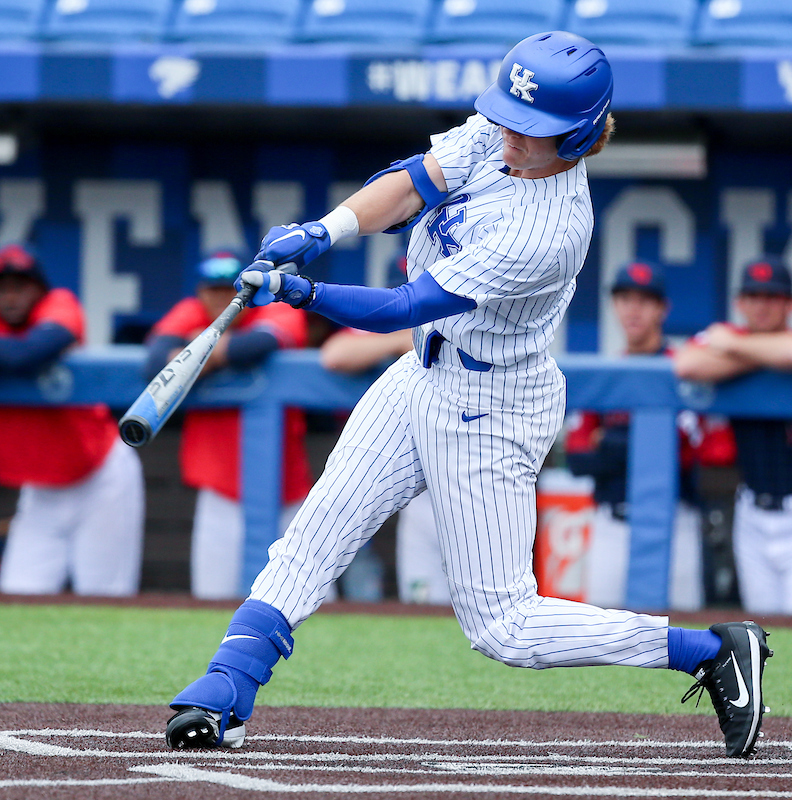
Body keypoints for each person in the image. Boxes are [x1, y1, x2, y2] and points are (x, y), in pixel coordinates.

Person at [163, 31, 771, 760]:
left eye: (532, 131)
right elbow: (413, 180)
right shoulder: (504, 126)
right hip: (422, 373)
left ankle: (709, 650)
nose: (510, 134)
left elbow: (402, 307)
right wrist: (323, 229)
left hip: (490, 406)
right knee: (315, 534)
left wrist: (302, 292)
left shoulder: (548, 230)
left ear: (575, 137)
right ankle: (228, 683)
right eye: (508, 117)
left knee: (503, 627)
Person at [0, 242, 144, 596]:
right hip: (40, 489)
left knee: (104, 600)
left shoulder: (60, 305)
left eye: (20, 287)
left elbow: (25, 356)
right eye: (1, 288)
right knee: (19, 596)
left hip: (101, 477)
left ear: (39, 289)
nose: (10, 297)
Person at [566, 262, 732, 610]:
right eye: (624, 298)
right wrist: (632, 444)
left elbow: (682, 455)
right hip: (611, 521)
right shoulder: (608, 372)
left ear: (663, 309)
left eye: (645, 300)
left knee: (679, 627)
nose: (633, 309)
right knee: (603, 633)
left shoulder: (685, 367)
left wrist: (608, 440)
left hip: (675, 521)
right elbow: (578, 458)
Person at [145, 251, 310, 599]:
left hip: (287, 492)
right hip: (219, 489)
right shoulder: (191, 310)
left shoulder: (276, 308)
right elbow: (155, 361)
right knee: (212, 601)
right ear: (201, 292)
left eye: (232, 288)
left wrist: (199, 349)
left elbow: (259, 344)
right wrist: (215, 352)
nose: (222, 298)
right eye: (213, 289)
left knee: (306, 599)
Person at [319, 264, 446, 605]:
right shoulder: (386, 329)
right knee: (421, 601)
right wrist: (400, 340)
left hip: (462, 474)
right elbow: (334, 354)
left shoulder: (465, 321)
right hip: (402, 475)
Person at [674, 257, 792, 615]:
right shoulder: (732, 340)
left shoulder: (732, 342)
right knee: (765, 626)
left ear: (787, 303)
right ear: (740, 302)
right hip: (751, 507)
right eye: (753, 296)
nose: (761, 305)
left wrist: (736, 347)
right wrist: (761, 353)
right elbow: (687, 364)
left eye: (771, 296)